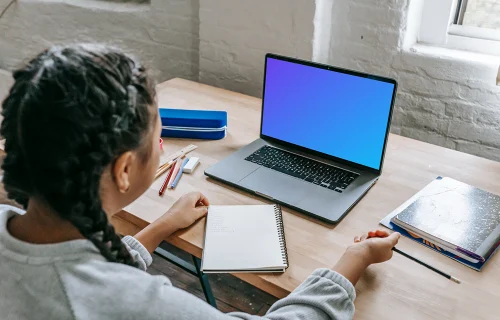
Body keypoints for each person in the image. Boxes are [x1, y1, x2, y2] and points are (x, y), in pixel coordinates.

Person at [0, 44, 400, 320]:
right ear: (123, 170)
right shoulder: (136, 303)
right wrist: (355, 259)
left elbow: (81, 266)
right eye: (158, 134)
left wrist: (160, 227)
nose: (161, 144)